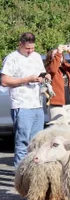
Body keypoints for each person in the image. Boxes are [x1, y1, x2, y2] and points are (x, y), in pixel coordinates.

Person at [1, 32, 46, 167]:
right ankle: (19, 176)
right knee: (23, 141)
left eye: (32, 48)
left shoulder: (36, 56)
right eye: (27, 49)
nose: (30, 51)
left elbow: (42, 73)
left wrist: (45, 76)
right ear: (20, 44)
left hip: (37, 104)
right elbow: (4, 81)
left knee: (37, 142)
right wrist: (26, 79)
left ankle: (33, 173)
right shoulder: (12, 58)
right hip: (21, 104)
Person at [45, 44, 70, 120]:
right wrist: (58, 53)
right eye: (55, 54)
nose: (59, 55)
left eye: (60, 54)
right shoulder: (49, 68)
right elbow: (53, 70)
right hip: (56, 105)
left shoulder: (66, 67)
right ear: (50, 58)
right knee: (58, 129)